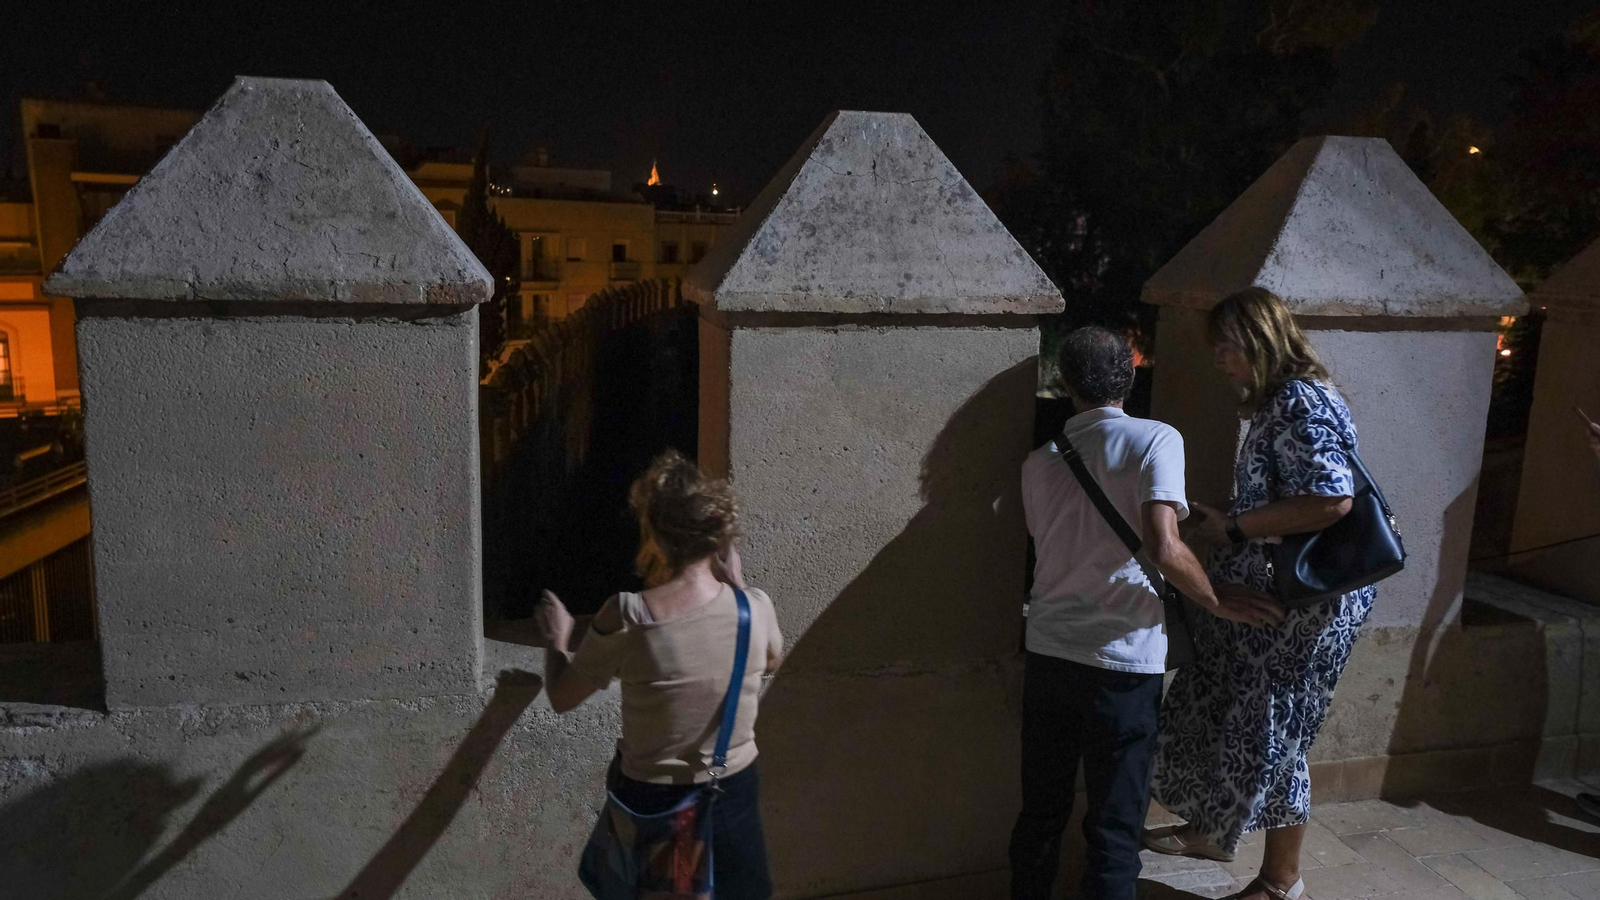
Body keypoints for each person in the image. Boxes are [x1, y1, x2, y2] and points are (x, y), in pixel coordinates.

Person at [1009, 325, 1284, 900]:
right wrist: (1215, 600)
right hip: (1124, 661)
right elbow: (1163, 544)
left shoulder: (1038, 463)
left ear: (1065, 385)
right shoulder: (1156, 438)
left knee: (1041, 812)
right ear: (1129, 378)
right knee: (1114, 825)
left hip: (1049, 653)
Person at [1147, 287, 1373, 900]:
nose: (1217, 359)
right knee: (1233, 714)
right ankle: (1211, 829)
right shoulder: (1284, 402)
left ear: (1257, 340)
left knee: (1275, 734)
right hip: (1279, 596)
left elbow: (1332, 499)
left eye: (1224, 347)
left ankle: (1280, 883)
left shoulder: (1301, 400)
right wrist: (1228, 522)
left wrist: (1240, 527)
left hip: (1302, 608)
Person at [534, 449, 784, 900]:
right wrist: (739, 585)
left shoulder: (629, 615)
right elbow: (769, 661)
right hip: (734, 790)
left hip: (655, 802)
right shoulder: (756, 608)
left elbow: (562, 697)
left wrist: (557, 640)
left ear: (654, 532)